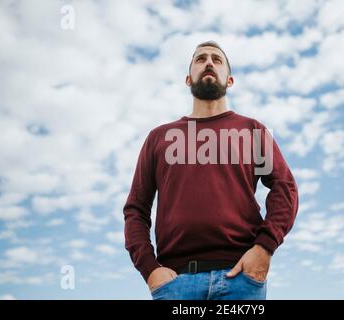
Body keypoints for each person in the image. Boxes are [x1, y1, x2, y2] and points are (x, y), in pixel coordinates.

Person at [123, 40, 299, 300]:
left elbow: (285, 188)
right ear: (187, 79)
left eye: (217, 60)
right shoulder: (159, 137)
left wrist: (264, 248)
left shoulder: (253, 131)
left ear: (229, 80)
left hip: (240, 279)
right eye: (200, 59)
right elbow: (136, 209)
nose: (208, 62)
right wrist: (150, 270)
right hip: (174, 284)